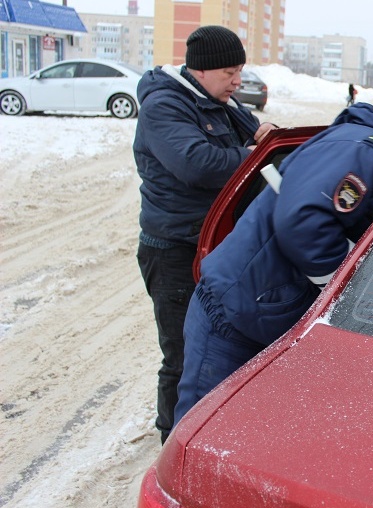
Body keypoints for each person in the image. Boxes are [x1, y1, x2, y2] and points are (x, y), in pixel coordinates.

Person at [174, 91, 373, 425]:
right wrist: (345, 288)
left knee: (245, 432)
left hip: (270, 318)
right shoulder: (366, 152)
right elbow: (303, 221)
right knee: (201, 430)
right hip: (235, 316)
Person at [133, 25, 277, 444]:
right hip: (175, 250)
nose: (237, 81)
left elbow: (257, 137)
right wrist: (253, 155)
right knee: (183, 355)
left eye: (240, 71)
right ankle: (172, 444)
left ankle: (209, 433)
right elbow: (196, 164)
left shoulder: (221, 103)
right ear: (201, 70)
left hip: (215, 244)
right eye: (230, 72)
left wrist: (265, 136)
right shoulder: (164, 106)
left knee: (219, 346)